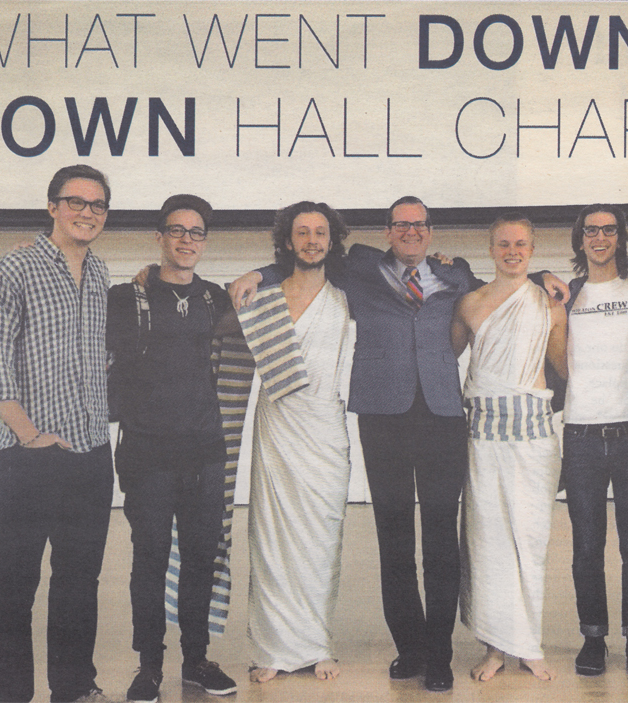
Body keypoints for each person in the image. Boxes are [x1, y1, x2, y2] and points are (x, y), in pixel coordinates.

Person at [229, 197, 569, 692]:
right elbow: (302, 257)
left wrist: (544, 275)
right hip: (382, 415)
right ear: (388, 231)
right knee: (393, 538)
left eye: (419, 224)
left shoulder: (458, 276)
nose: (411, 232)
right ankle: (409, 647)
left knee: (439, 539)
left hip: (441, 417)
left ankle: (439, 652)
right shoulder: (359, 267)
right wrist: (258, 274)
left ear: (431, 232)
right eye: (401, 224)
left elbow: (508, 281)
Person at [0, 164, 113, 703]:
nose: (86, 212)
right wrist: (30, 435)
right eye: (75, 201)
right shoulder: (14, 268)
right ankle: (6, 696)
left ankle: (74, 688)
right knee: (14, 585)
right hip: (28, 455)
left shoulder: (100, 274)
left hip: (91, 454)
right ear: (52, 206)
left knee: (79, 582)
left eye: (97, 205)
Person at [107, 195, 241, 701]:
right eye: (177, 230)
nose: (187, 239)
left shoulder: (215, 298)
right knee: (151, 559)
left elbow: (276, 290)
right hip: (146, 451)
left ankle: (197, 660)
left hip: (205, 449)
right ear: (159, 237)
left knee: (204, 558)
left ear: (205, 241)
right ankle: (149, 667)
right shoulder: (127, 296)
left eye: (196, 232)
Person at [450, 214, 567, 683]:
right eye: (503, 244)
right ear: (491, 248)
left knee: (530, 539)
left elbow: (565, 365)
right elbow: (445, 361)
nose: (512, 251)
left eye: (521, 244)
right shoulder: (470, 304)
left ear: (533, 250)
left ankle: (529, 643)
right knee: (489, 540)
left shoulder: (550, 305)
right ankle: (496, 646)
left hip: (534, 435)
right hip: (483, 435)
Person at [242, 202, 353, 684]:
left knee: (322, 539)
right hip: (278, 425)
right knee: (271, 535)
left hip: (325, 428)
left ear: (332, 240)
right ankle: (273, 647)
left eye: (320, 232)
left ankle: (315, 643)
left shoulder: (348, 295)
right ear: (286, 241)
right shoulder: (261, 295)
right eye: (302, 232)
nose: (312, 240)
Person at [558, 205, 628, 678]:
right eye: (590, 230)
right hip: (579, 435)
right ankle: (593, 638)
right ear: (580, 240)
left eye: (608, 229)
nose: (599, 237)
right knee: (586, 545)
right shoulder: (565, 293)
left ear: (620, 237)